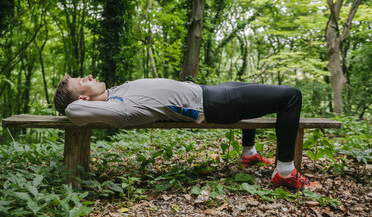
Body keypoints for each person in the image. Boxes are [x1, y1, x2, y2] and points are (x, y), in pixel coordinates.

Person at [54, 75, 320, 189]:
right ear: (82, 101)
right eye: (82, 82)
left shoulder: (114, 94)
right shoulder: (117, 108)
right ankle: (285, 171)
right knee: (291, 96)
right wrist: (73, 103)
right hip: (213, 103)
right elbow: (73, 112)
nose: (88, 77)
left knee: (252, 90)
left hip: (210, 91)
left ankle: (249, 153)